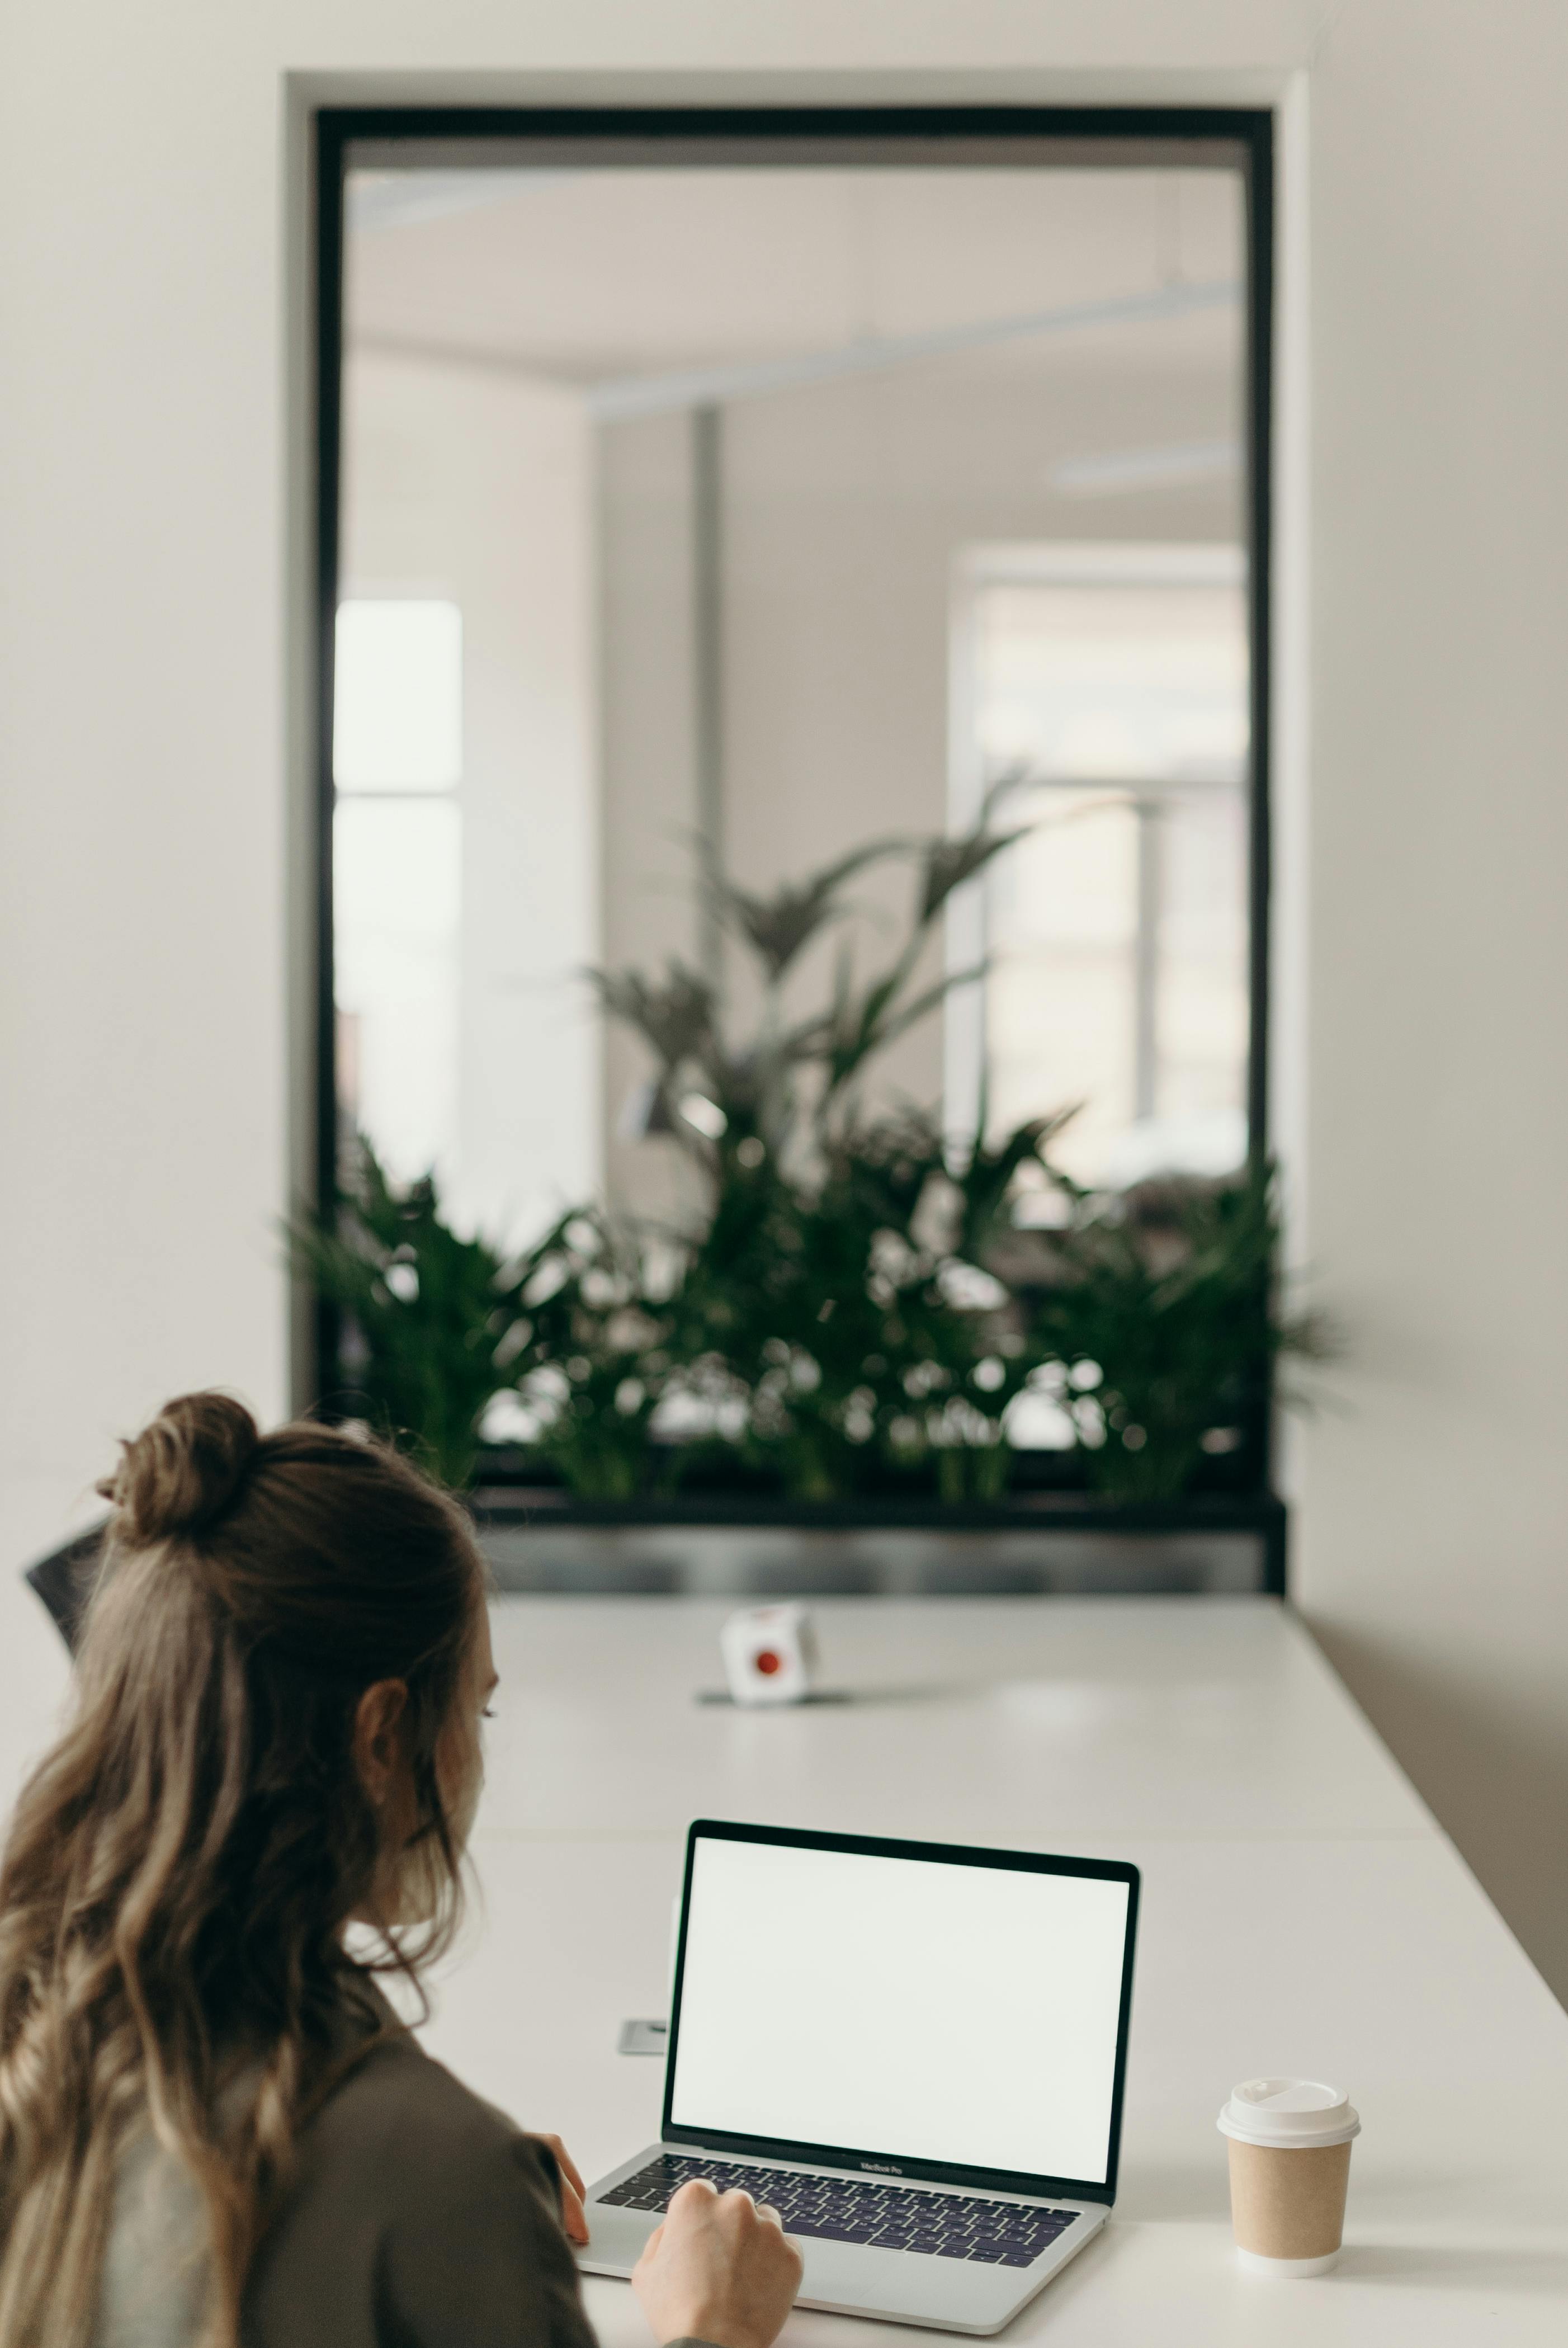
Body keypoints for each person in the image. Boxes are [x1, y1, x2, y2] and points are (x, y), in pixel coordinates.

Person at [0, 1393, 802, 2348]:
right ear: (383, 1735)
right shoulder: (441, 2180)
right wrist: (713, 2326)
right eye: (478, 1710)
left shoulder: (33, 2028)